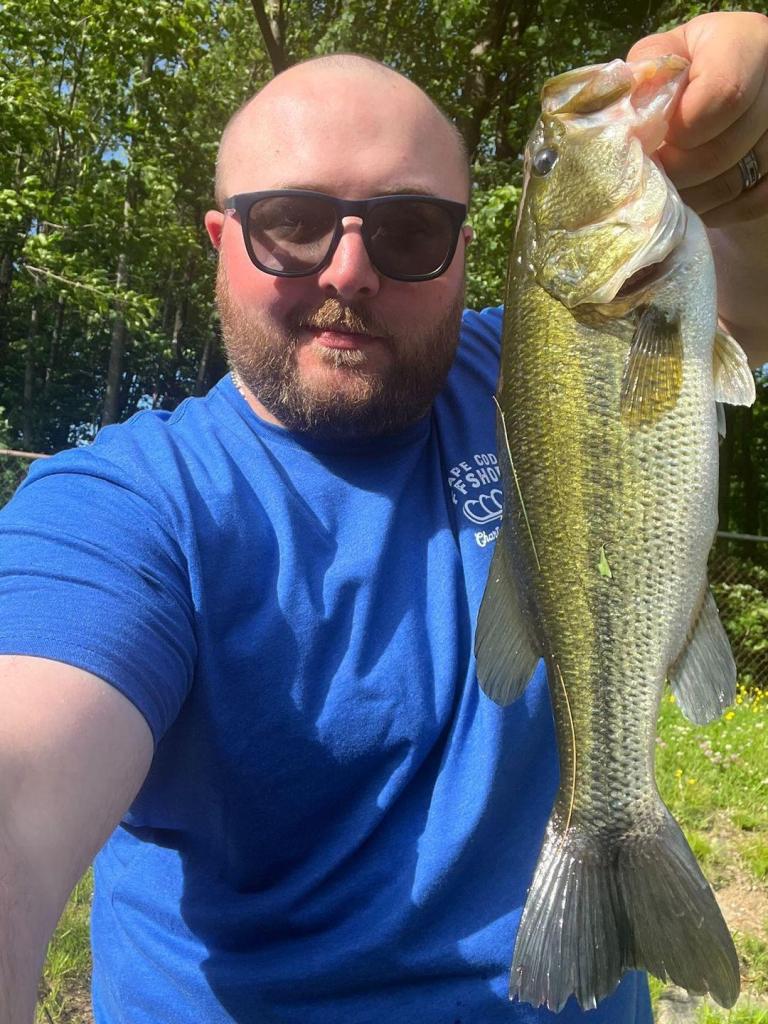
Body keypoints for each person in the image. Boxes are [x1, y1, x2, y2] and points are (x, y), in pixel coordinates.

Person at [0, 11, 766, 1024]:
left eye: (409, 231)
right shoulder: (126, 509)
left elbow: (748, 296)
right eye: (291, 221)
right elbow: (18, 785)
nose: (349, 271)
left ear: (464, 252)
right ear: (221, 244)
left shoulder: (522, 370)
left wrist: (750, 162)